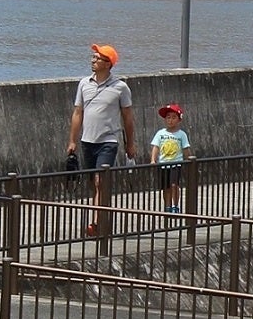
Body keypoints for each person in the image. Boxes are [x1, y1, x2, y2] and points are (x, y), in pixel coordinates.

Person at [66, 44, 135, 236]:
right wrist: (72, 140)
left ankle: (96, 224)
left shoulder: (120, 87)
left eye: (97, 58)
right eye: (93, 57)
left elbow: (128, 117)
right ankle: (102, 217)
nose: (93, 61)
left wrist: (130, 143)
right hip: (88, 141)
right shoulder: (84, 83)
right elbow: (77, 112)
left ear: (108, 64)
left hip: (108, 141)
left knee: (99, 181)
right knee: (93, 183)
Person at [151, 103, 192, 214]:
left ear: (179, 119)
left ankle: (175, 205)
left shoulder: (181, 134)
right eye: (168, 117)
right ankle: (167, 205)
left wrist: (190, 159)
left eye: (174, 117)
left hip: (176, 164)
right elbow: (156, 147)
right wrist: (153, 160)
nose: (170, 120)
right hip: (163, 164)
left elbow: (186, 148)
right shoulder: (160, 133)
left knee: (174, 185)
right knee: (165, 187)